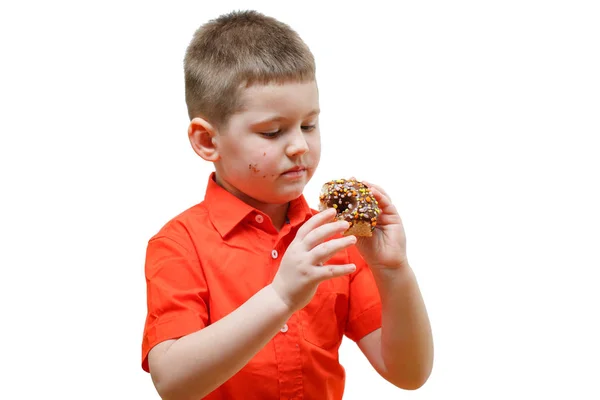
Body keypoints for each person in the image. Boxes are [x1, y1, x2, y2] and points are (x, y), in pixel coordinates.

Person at [141, 9, 433, 400]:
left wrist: (394, 271)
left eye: (309, 125)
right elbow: (173, 383)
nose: (299, 146)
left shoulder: (335, 238)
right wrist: (280, 298)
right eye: (273, 131)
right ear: (208, 142)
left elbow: (408, 373)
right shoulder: (179, 244)